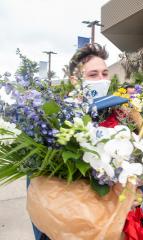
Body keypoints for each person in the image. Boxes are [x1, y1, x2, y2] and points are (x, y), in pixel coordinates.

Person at [31, 43, 110, 240]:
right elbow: (40, 185)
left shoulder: (117, 111)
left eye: (105, 73)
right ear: (75, 80)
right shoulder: (55, 119)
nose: (101, 79)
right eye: (93, 75)